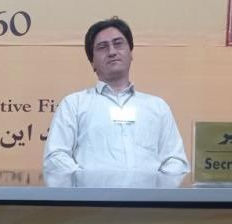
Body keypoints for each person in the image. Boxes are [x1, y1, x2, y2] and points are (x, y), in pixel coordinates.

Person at [44, 17, 189, 174]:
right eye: (102, 47)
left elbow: (175, 160)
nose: (112, 52)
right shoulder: (74, 105)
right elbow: (55, 157)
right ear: (92, 62)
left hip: (148, 191)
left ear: (131, 53)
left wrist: (154, 186)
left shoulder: (157, 107)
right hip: (90, 190)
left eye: (118, 44)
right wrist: (88, 183)